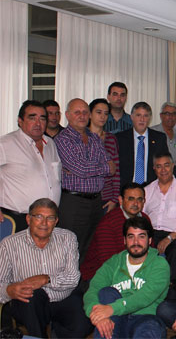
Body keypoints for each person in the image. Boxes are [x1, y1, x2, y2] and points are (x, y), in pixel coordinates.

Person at [0, 198, 90, 338]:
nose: (44, 223)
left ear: (56, 221)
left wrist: (46, 279)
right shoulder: (9, 244)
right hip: (29, 302)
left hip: (63, 296)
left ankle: (59, 333)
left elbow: (73, 278)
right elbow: (1, 281)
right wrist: (8, 289)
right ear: (28, 219)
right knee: (33, 296)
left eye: (50, 218)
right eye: (39, 217)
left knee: (83, 324)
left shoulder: (68, 238)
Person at [83, 216, 170, 339]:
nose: (136, 242)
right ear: (124, 240)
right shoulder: (113, 262)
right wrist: (96, 316)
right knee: (106, 293)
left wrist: (111, 308)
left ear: (150, 240)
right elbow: (93, 290)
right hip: (115, 319)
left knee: (150, 329)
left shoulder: (159, 264)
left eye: (141, 236)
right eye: (131, 236)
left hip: (145, 318)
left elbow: (145, 297)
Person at [55, 98, 114, 259]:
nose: (81, 116)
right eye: (77, 112)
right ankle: (68, 283)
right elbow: (81, 169)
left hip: (96, 202)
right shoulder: (62, 139)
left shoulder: (94, 138)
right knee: (70, 247)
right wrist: (101, 167)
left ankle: (83, 283)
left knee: (90, 248)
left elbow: (111, 166)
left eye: (85, 112)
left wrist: (89, 168)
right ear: (67, 115)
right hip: (74, 202)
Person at [0, 100, 61, 232]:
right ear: (20, 121)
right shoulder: (5, 144)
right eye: (32, 118)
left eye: (42, 118)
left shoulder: (50, 143)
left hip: (48, 221)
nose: (38, 123)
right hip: (17, 220)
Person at [80, 182, 151, 283]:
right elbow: (108, 261)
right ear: (121, 200)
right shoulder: (109, 222)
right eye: (130, 199)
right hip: (100, 273)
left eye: (139, 199)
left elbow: (151, 251)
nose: (136, 204)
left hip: (135, 271)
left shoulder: (145, 219)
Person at [144, 152, 176, 287]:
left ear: (173, 166)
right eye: (159, 166)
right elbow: (141, 217)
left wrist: (169, 238)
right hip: (151, 233)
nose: (163, 170)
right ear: (154, 169)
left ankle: (172, 294)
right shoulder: (146, 191)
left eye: (166, 165)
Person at [116, 101, 171, 187]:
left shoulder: (159, 138)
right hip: (127, 188)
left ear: (150, 118)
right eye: (138, 115)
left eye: (145, 116)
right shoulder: (120, 138)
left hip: (152, 188)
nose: (142, 119)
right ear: (132, 117)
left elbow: (167, 162)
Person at [88, 98, 120, 212]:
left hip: (107, 196)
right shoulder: (81, 137)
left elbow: (116, 171)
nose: (102, 116)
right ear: (90, 114)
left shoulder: (111, 138)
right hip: (86, 195)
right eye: (98, 112)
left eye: (106, 114)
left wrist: (115, 198)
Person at [151, 101, 176, 170]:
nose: (171, 117)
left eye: (174, 114)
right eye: (167, 114)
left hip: (173, 178)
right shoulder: (152, 133)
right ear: (161, 116)